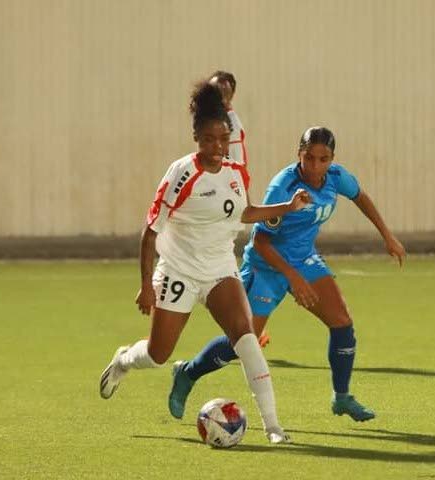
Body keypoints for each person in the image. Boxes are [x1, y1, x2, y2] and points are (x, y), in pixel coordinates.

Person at [99, 79, 311, 444]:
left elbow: (244, 213)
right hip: (179, 269)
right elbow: (150, 233)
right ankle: (123, 361)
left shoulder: (234, 172)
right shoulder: (181, 173)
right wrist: (146, 286)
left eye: (222, 139)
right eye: (209, 139)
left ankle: (274, 427)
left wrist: (287, 207)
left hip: (219, 269)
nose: (217, 147)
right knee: (158, 354)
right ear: (196, 137)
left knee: (247, 338)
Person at [169, 126, 406, 422]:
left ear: (332, 158)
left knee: (342, 321)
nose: (316, 166)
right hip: (266, 265)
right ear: (299, 154)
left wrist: (387, 235)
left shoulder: (336, 177)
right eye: (309, 158)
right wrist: (293, 277)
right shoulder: (284, 186)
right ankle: (187, 372)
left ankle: (342, 397)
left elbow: (360, 197)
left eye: (324, 159)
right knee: (241, 343)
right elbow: (261, 241)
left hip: (304, 258)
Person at [209, 70, 271, 347]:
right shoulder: (217, 121)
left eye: (223, 90)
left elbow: (235, 162)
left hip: (229, 197)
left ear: (232, 93)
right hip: (219, 197)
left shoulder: (229, 120)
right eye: (215, 90)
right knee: (222, 267)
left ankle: (246, 328)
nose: (219, 95)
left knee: (223, 265)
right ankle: (246, 328)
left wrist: (241, 194)